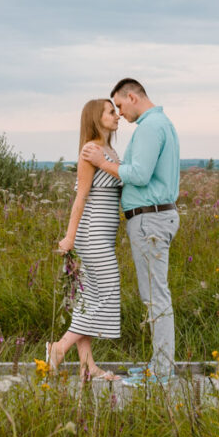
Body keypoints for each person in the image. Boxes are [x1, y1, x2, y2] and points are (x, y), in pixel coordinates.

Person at [82, 78, 180, 386]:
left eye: (121, 105)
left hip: (151, 219)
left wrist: (101, 162)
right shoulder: (161, 123)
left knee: (155, 297)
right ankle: (158, 365)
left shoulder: (150, 127)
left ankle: (161, 372)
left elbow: (139, 175)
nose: (120, 113)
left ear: (133, 97)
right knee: (154, 295)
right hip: (155, 217)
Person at [46, 98, 124, 381]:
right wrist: (69, 237)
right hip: (91, 235)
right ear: (96, 117)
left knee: (89, 300)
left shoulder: (109, 151)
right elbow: (80, 197)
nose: (117, 115)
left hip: (103, 235)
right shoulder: (91, 150)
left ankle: (87, 368)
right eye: (111, 112)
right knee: (108, 292)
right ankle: (59, 348)